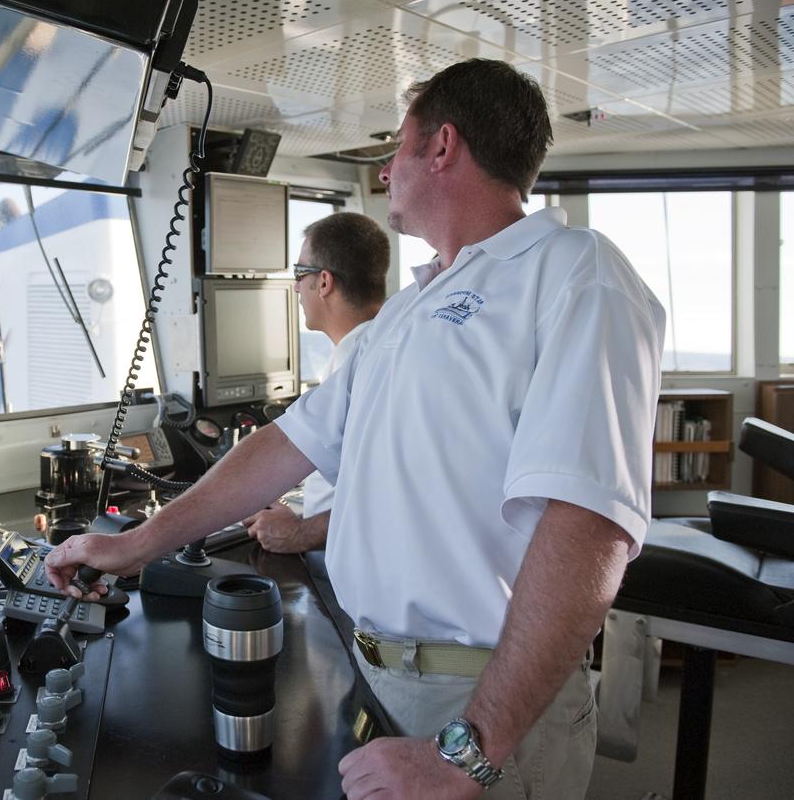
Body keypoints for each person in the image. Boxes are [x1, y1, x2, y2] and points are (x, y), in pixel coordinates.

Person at [46, 58, 665, 799]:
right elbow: (286, 445)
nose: (384, 170)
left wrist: (468, 748)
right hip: (377, 675)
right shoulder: (410, 308)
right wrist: (135, 545)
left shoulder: (575, 274)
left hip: (480, 702)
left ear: (442, 146)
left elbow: (589, 526)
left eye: (397, 146)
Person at [241, 211, 389, 554]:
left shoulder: (362, 363)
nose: (295, 287)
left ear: (324, 282)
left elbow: (389, 496)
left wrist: (301, 532)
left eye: (299, 273)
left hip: (350, 563)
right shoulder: (371, 347)